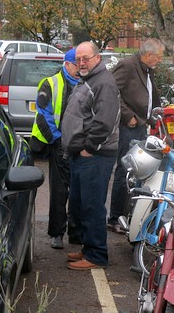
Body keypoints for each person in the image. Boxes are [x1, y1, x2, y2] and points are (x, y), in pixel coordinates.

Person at [61, 41, 120, 270]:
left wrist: (89, 148)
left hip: (96, 156)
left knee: (92, 205)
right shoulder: (89, 80)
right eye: (78, 59)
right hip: (83, 154)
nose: (81, 62)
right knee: (81, 204)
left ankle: (96, 256)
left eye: (85, 58)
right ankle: (88, 248)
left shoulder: (103, 83)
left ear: (97, 58)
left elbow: (104, 122)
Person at [107, 38, 164, 234]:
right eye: (159, 57)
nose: (160, 60)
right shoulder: (128, 65)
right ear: (148, 55)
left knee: (138, 172)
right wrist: (128, 115)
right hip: (128, 126)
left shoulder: (146, 69)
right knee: (126, 171)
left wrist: (156, 111)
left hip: (140, 125)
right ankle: (114, 218)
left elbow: (148, 94)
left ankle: (130, 216)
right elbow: (111, 91)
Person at [30, 48, 81, 249]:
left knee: (78, 190)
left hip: (79, 144)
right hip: (59, 144)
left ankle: (76, 233)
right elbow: (43, 115)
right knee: (59, 191)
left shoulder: (86, 83)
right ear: (67, 64)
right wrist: (57, 140)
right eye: (77, 63)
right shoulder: (50, 83)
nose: (80, 66)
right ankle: (56, 233)